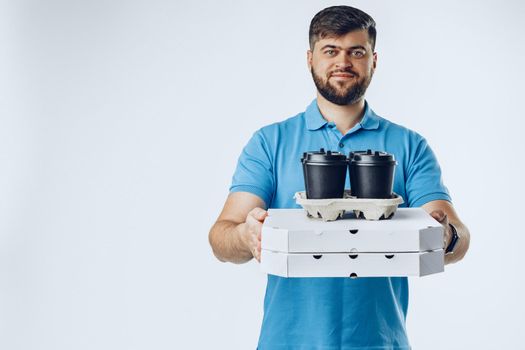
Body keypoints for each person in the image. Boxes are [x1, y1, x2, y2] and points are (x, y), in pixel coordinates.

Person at [208, 5, 470, 349]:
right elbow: (221, 236)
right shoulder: (270, 142)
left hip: (381, 342)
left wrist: (445, 235)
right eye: (330, 50)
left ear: (373, 60)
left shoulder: (409, 145)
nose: (342, 62)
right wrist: (247, 235)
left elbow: (458, 237)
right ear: (310, 58)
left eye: (356, 52)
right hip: (287, 342)